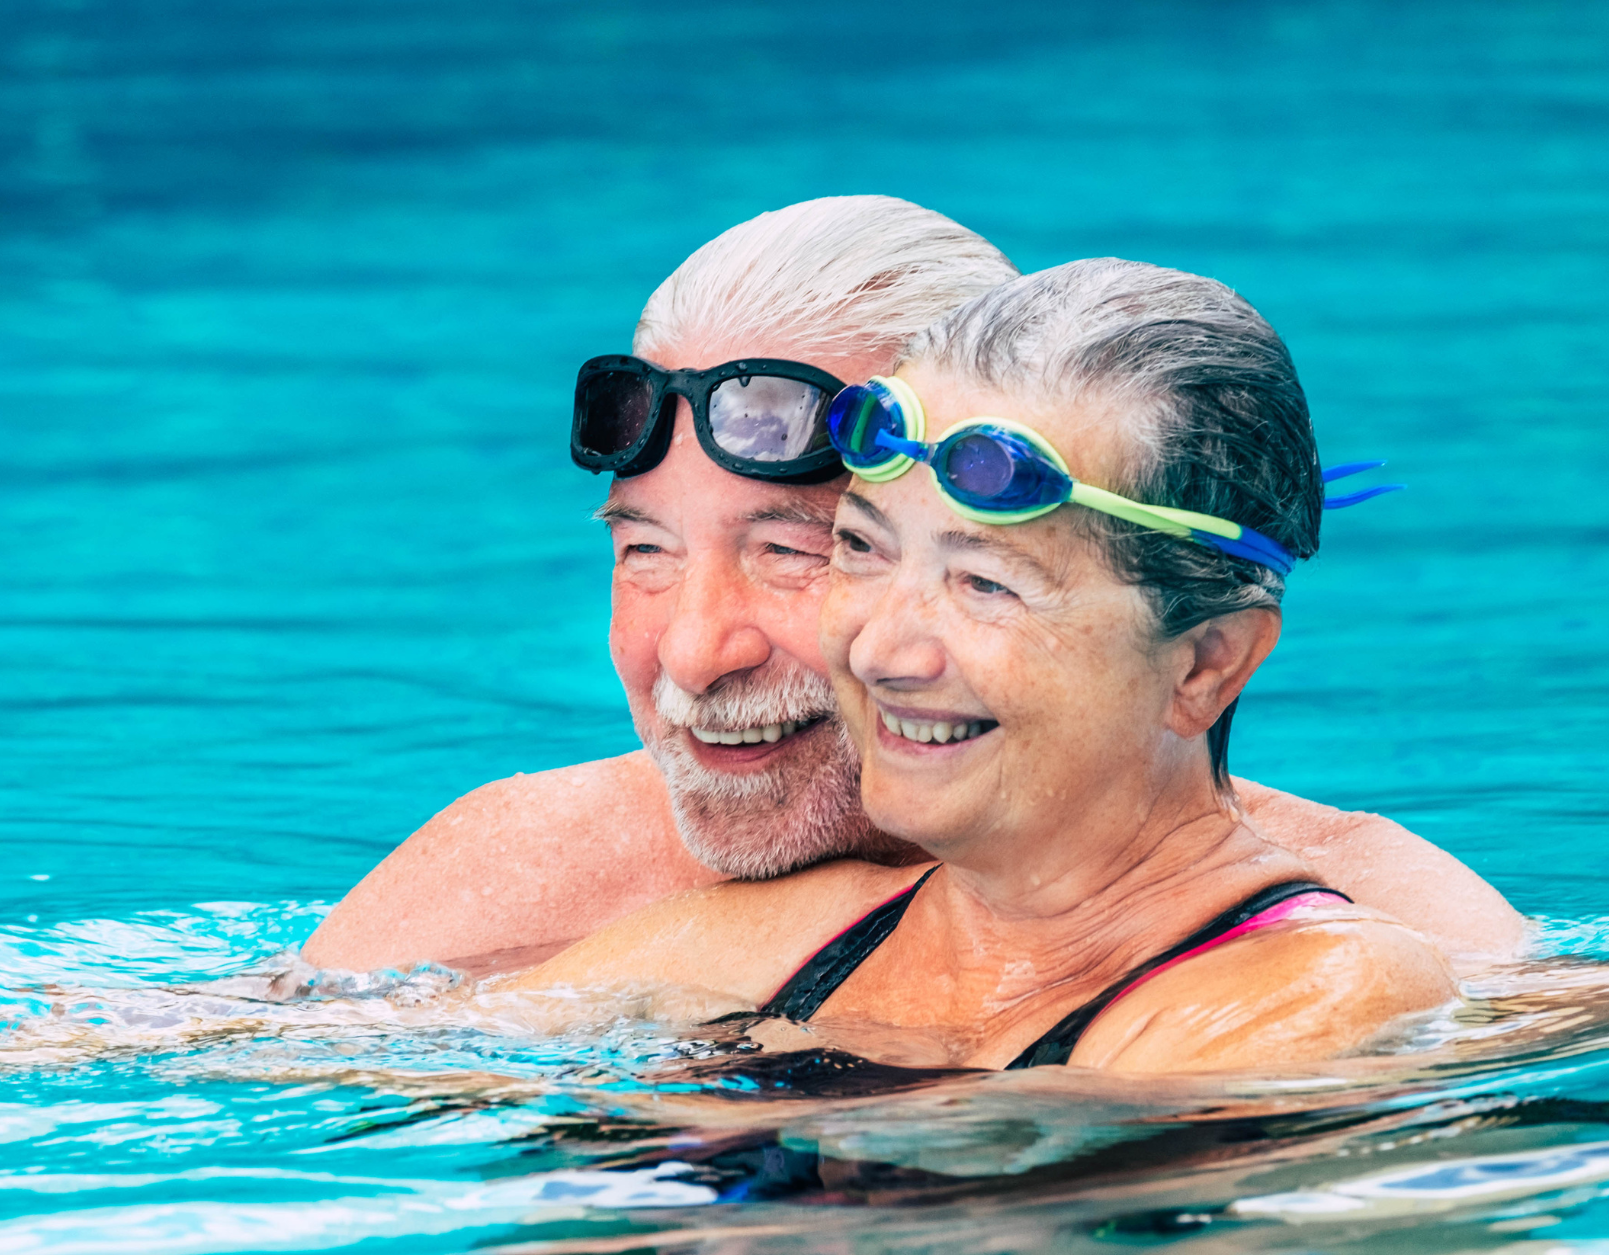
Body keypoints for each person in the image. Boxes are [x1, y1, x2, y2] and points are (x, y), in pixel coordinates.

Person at [305, 198, 1524, 975]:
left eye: (801, 549)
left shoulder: (1366, 936)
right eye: (645, 554)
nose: (689, 655)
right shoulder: (530, 869)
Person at [510, 260, 1459, 1073]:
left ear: (1205, 665)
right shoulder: (745, 944)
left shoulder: (1319, 998)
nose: (882, 650)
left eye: (986, 585)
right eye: (860, 549)